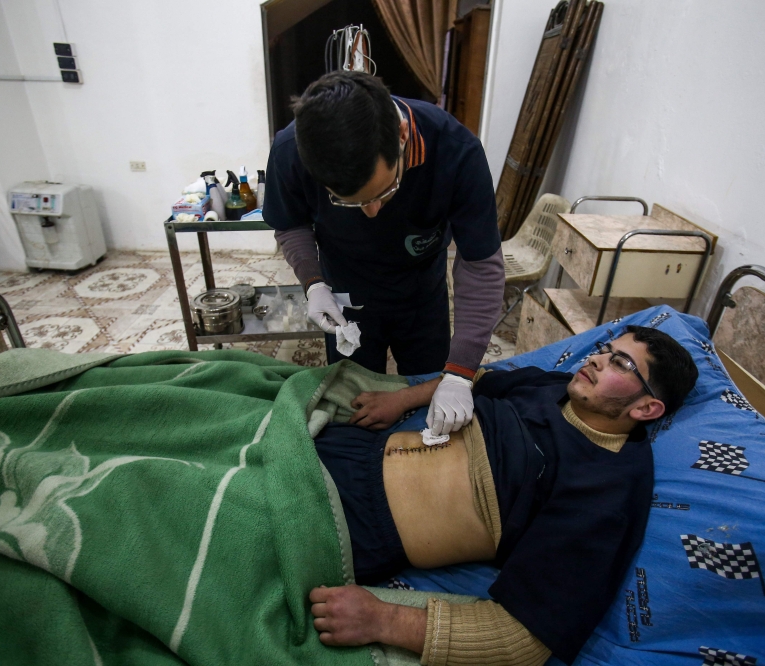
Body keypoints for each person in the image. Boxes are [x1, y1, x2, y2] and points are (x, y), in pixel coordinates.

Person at [308, 326, 699, 665]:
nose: (597, 359)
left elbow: (523, 642)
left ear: (647, 407)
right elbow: (476, 379)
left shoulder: (605, 489)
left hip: (352, 521)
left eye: (622, 364)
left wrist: (383, 621)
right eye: (607, 349)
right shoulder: (554, 386)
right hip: (351, 448)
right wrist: (403, 398)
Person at [263, 70, 505, 438]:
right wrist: (314, 284)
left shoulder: (455, 151)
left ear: (403, 135)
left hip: (421, 293)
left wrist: (459, 373)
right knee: (351, 405)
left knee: (428, 400)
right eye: (349, 202)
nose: (372, 213)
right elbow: (291, 224)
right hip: (344, 291)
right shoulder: (289, 152)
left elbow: (481, 266)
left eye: (384, 191)